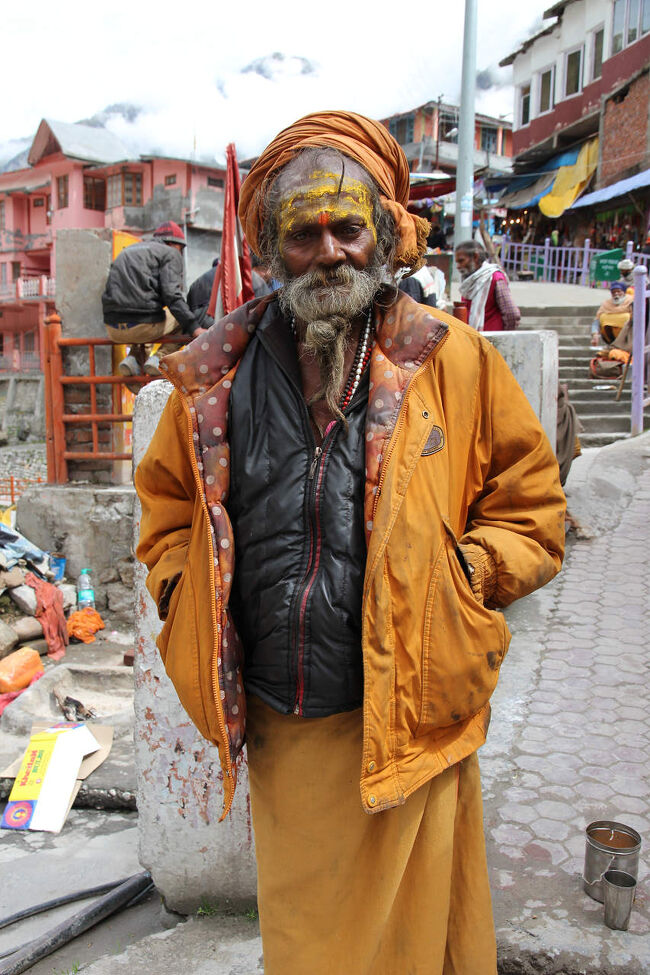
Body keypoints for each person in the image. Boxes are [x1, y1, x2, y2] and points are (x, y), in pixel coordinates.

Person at [135, 110, 565, 975]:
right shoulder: (213, 378)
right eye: (303, 233)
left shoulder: (455, 362)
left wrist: (460, 581)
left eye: (347, 226)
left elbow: (533, 510)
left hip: (413, 716)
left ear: (384, 235)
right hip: (289, 730)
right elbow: (165, 519)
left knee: (417, 948)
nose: (328, 251)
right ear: (266, 247)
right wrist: (188, 597)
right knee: (309, 949)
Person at [102, 221, 199, 376]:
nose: (179, 254)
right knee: (184, 318)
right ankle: (159, 359)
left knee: (147, 314)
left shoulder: (127, 251)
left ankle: (133, 358)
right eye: (180, 250)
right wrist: (195, 327)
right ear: (174, 244)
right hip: (143, 328)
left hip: (113, 329)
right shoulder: (170, 253)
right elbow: (172, 296)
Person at [455, 240, 520, 331]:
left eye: (461, 261)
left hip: (492, 339)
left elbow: (512, 314)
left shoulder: (495, 278)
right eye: (457, 262)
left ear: (475, 257)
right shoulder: (470, 280)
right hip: (473, 338)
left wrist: (503, 338)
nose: (458, 266)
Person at [590, 281, 633, 347]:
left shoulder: (631, 301)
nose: (616, 294)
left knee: (627, 317)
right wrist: (595, 334)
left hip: (628, 337)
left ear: (624, 292)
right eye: (613, 292)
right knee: (603, 317)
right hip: (611, 337)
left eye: (619, 291)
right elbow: (597, 320)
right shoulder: (606, 304)